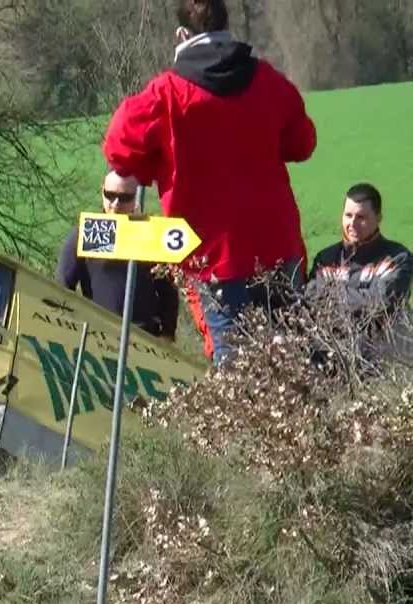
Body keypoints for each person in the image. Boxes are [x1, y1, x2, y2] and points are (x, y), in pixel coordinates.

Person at [101, 0, 317, 366]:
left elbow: (119, 148)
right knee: (294, 363)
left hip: (213, 256)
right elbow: (302, 143)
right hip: (277, 245)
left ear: (181, 34)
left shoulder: (166, 94)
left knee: (235, 373)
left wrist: (159, 163)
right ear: (227, 28)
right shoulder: (268, 81)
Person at [56, 170, 179, 340]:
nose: (115, 204)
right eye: (110, 195)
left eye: (124, 198)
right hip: (97, 335)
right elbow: (62, 287)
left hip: (145, 338)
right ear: (102, 190)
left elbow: (168, 292)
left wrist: (167, 335)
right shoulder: (87, 232)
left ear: (136, 197)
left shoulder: (150, 233)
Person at [307, 183, 412, 318]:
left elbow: (382, 303)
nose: (352, 223)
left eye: (361, 217)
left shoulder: (397, 258)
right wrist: (363, 295)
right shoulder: (326, 259)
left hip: (381, 331)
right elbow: (310, 297)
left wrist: (330, 293)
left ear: (378, 218)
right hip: (332, 331)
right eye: (348, 215)